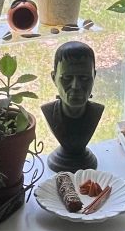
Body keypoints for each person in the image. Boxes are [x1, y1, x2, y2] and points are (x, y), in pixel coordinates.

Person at [42, 41, 104, 172]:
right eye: (67, 78)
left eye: (84, 78)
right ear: (54, 78)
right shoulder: (49, 112)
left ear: (94, 76)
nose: (76, 86)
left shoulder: (96, 112)